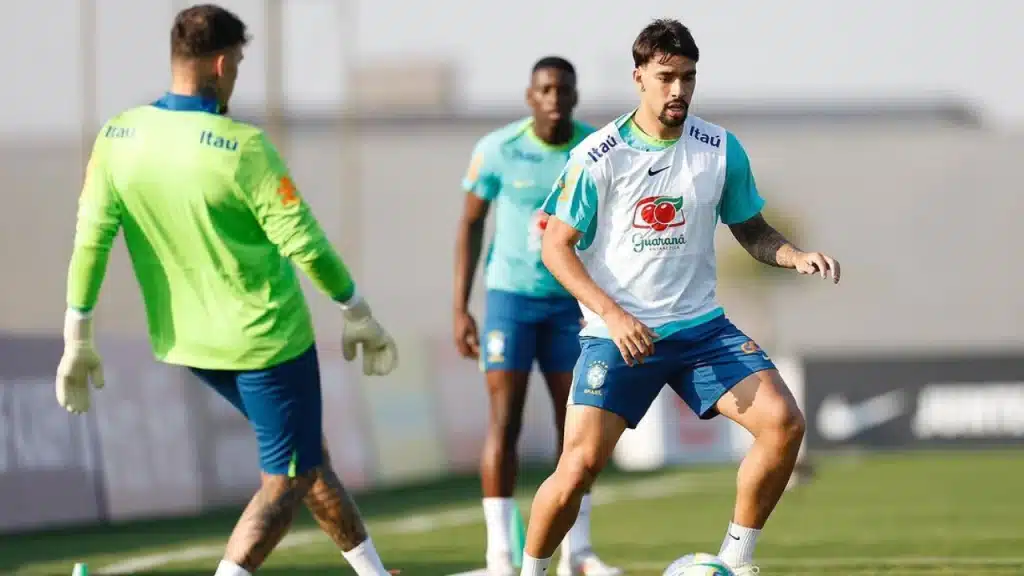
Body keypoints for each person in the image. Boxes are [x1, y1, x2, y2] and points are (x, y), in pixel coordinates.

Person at [54, 5, 399, 575]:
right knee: (287, 479)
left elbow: (91, 239)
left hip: (187, 344)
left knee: (305, 454)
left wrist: (77, 335)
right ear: (219, 63)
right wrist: (357, 312)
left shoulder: (118, 136)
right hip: (266, 342)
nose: (236, 74)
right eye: (237, 63)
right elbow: (305, 243)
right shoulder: (242, 147)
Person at [521, 19, 842, 576]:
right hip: (619, 337)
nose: (679, 91)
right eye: (666, 77)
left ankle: (736, 562)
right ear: (639, 77)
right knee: (577, 469)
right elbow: (556, 249)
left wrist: (793, 255)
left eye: (688, 78)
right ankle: (528, 571)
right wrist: (614, 316)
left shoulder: (718, 148)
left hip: (700, 333)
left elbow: (751, 228)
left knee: (783, 423)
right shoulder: (599, 157)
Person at [453, 57, 620, 576]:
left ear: (574, 96)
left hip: (573, 304)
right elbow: (470, 226)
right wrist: (460, 306)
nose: (554, 98)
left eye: (563, 90)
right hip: (511, 301)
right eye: (545, 90)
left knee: (578, 430)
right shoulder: (497, 150)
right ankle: (499, 555)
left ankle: (578, 551)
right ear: (530, 97)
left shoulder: (597, 149)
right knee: (504, 422)